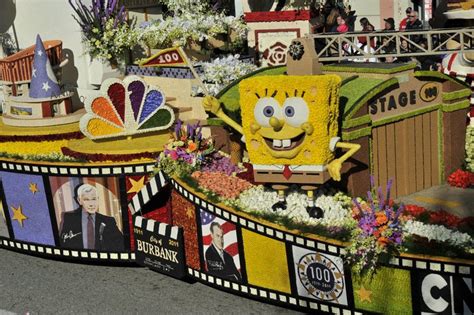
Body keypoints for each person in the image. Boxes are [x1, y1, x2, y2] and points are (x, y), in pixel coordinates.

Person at [60, 184, 124, 251]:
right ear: (79, 200)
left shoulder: (109, 221)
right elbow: (63, 244)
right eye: (86, 200)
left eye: (94, 199)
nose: (91, 204)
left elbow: (121, 245)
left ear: (98, 199)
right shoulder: (69, 219)